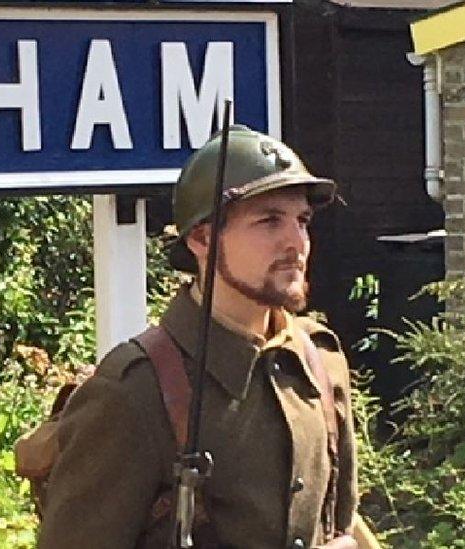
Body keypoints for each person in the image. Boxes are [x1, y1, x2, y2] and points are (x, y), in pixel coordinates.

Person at [38, 126, 358, 549]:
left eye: (302, 221)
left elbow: (344, 524)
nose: (295, 243)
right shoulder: (134, 391)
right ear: (202, 238)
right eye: (268, 221)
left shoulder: (318, 362)